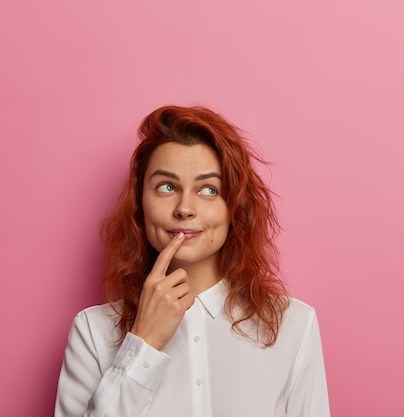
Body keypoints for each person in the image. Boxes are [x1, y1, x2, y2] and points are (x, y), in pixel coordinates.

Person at [54, 105, 331, 417]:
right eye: (167, 187)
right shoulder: (92, 331)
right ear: (139, 203)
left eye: (209, 189)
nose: (185, 208)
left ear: (234, 208)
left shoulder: (294, 325)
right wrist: (143, 342)